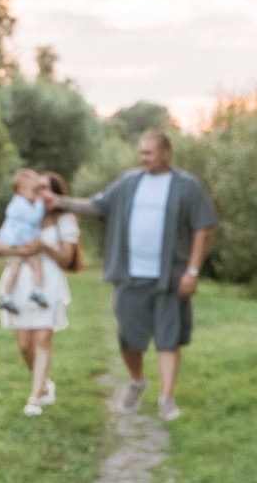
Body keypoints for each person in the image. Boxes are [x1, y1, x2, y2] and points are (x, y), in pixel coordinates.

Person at [47, 131, 217, 421]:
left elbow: (204, 227)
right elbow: (96, 205)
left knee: (169, 338)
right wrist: (61, 203)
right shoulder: (129, 182)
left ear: (166, 154)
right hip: (129, 276)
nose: (143, 158)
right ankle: (138, 380)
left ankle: (166, 399)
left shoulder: (187, 186)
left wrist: (192, 270)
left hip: (170, 278)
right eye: (141, 153)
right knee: (128, 338)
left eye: (149, 153)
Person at [0, 170, 81, 416]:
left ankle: (34, 398)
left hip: (48, 282)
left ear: (54, 193)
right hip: (21, 281)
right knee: (24, 345)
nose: (39, 192)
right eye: (36, 187)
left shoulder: (64, 220)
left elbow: (66, 258)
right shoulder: (22, 212)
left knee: (42, 340)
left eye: (44, 188)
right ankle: (43, 384)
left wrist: (44, 246)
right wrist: (22, 251)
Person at [0, 169, 50, 313]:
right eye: (34, 191)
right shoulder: (21, 205)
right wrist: (39, 204)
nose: (36, 195)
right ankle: (36, 290)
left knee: (14, 269)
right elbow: (33, 219)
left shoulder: (17, 204)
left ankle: (6, 296)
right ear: (21, 189)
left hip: (15, 241)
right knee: (36, 265)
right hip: (20, 242)